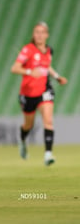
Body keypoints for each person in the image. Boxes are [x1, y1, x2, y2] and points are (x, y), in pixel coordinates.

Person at [11, 22, 67, 166]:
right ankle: (23, 141)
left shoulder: (49, 50)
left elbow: (46, 66)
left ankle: (48, 154)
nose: (40, 35)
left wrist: (57, 76)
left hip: (44, 90)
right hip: (28, 94)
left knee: (48, 120)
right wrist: (30, 72)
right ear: (33, 35)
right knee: (28, 125)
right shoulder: (27, 50)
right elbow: (15, 68)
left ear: (47, 35)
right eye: (37, 32)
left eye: (42, 32)